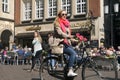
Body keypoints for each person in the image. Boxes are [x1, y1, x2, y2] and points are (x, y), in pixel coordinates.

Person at [54, 10, 77, 77]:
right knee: (72, 53)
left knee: (75, 55)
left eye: (66, 14)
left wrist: (75, 40)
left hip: (66, 43)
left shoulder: (66, 24)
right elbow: (60, 33)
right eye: (63, 14)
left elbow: (68, 36)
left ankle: (67, 71)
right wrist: (68, 36)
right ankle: (70, 70)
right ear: (59, 15)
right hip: (60, 44)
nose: (64, 15)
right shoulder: (57, 23)